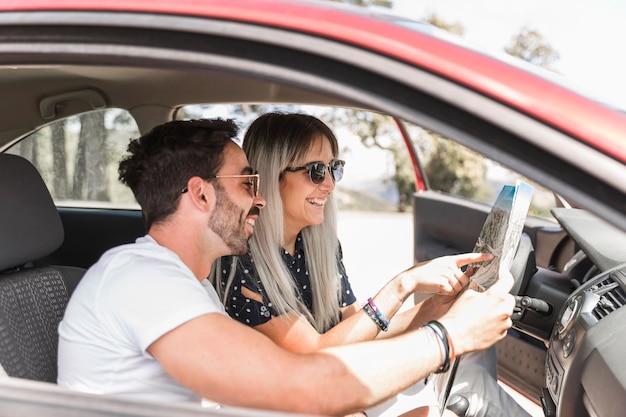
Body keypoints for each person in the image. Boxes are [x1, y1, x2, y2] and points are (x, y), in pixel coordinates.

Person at [58, 118, 515, 417]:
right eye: (247, 182)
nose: (260, 197)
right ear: (200, 195)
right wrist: (450, 337)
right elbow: (306, 385)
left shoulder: (188, 285)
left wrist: (438, 308)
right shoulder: (142, 279)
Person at [212, 112, 531, 417]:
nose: (329, 185)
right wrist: (403, 285)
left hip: (330, 386)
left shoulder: (317, 248)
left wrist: (438, 307)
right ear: (272, 174)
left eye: (333, 168)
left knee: (464, 373)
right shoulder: (242, 262)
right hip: (288, 401)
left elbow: (365, 333)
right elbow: (315, 353)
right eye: (316, 172)